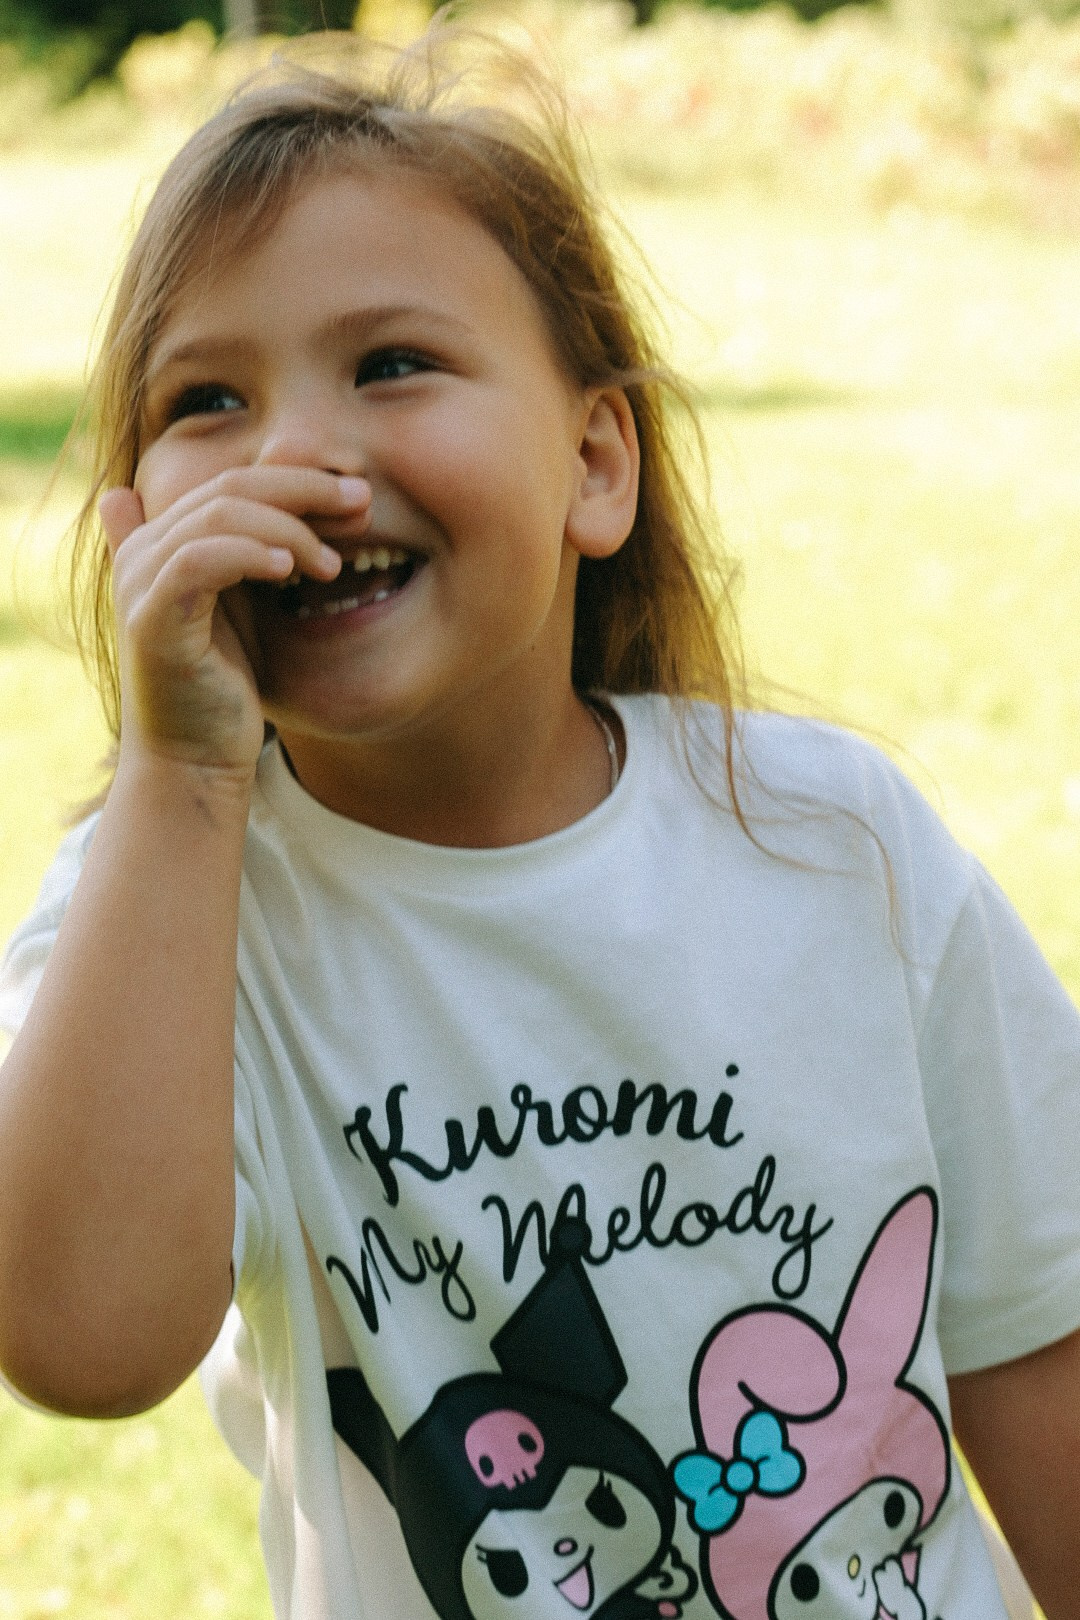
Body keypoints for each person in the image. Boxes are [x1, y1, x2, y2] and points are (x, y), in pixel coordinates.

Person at [0, 25, 1077, 1620]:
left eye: (390, 365)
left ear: (594, 460)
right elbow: (79, 1340)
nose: (300, 457)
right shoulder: (167, 903)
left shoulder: (836, 846)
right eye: (207, 400)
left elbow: (1035, 1339)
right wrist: (186, 781)